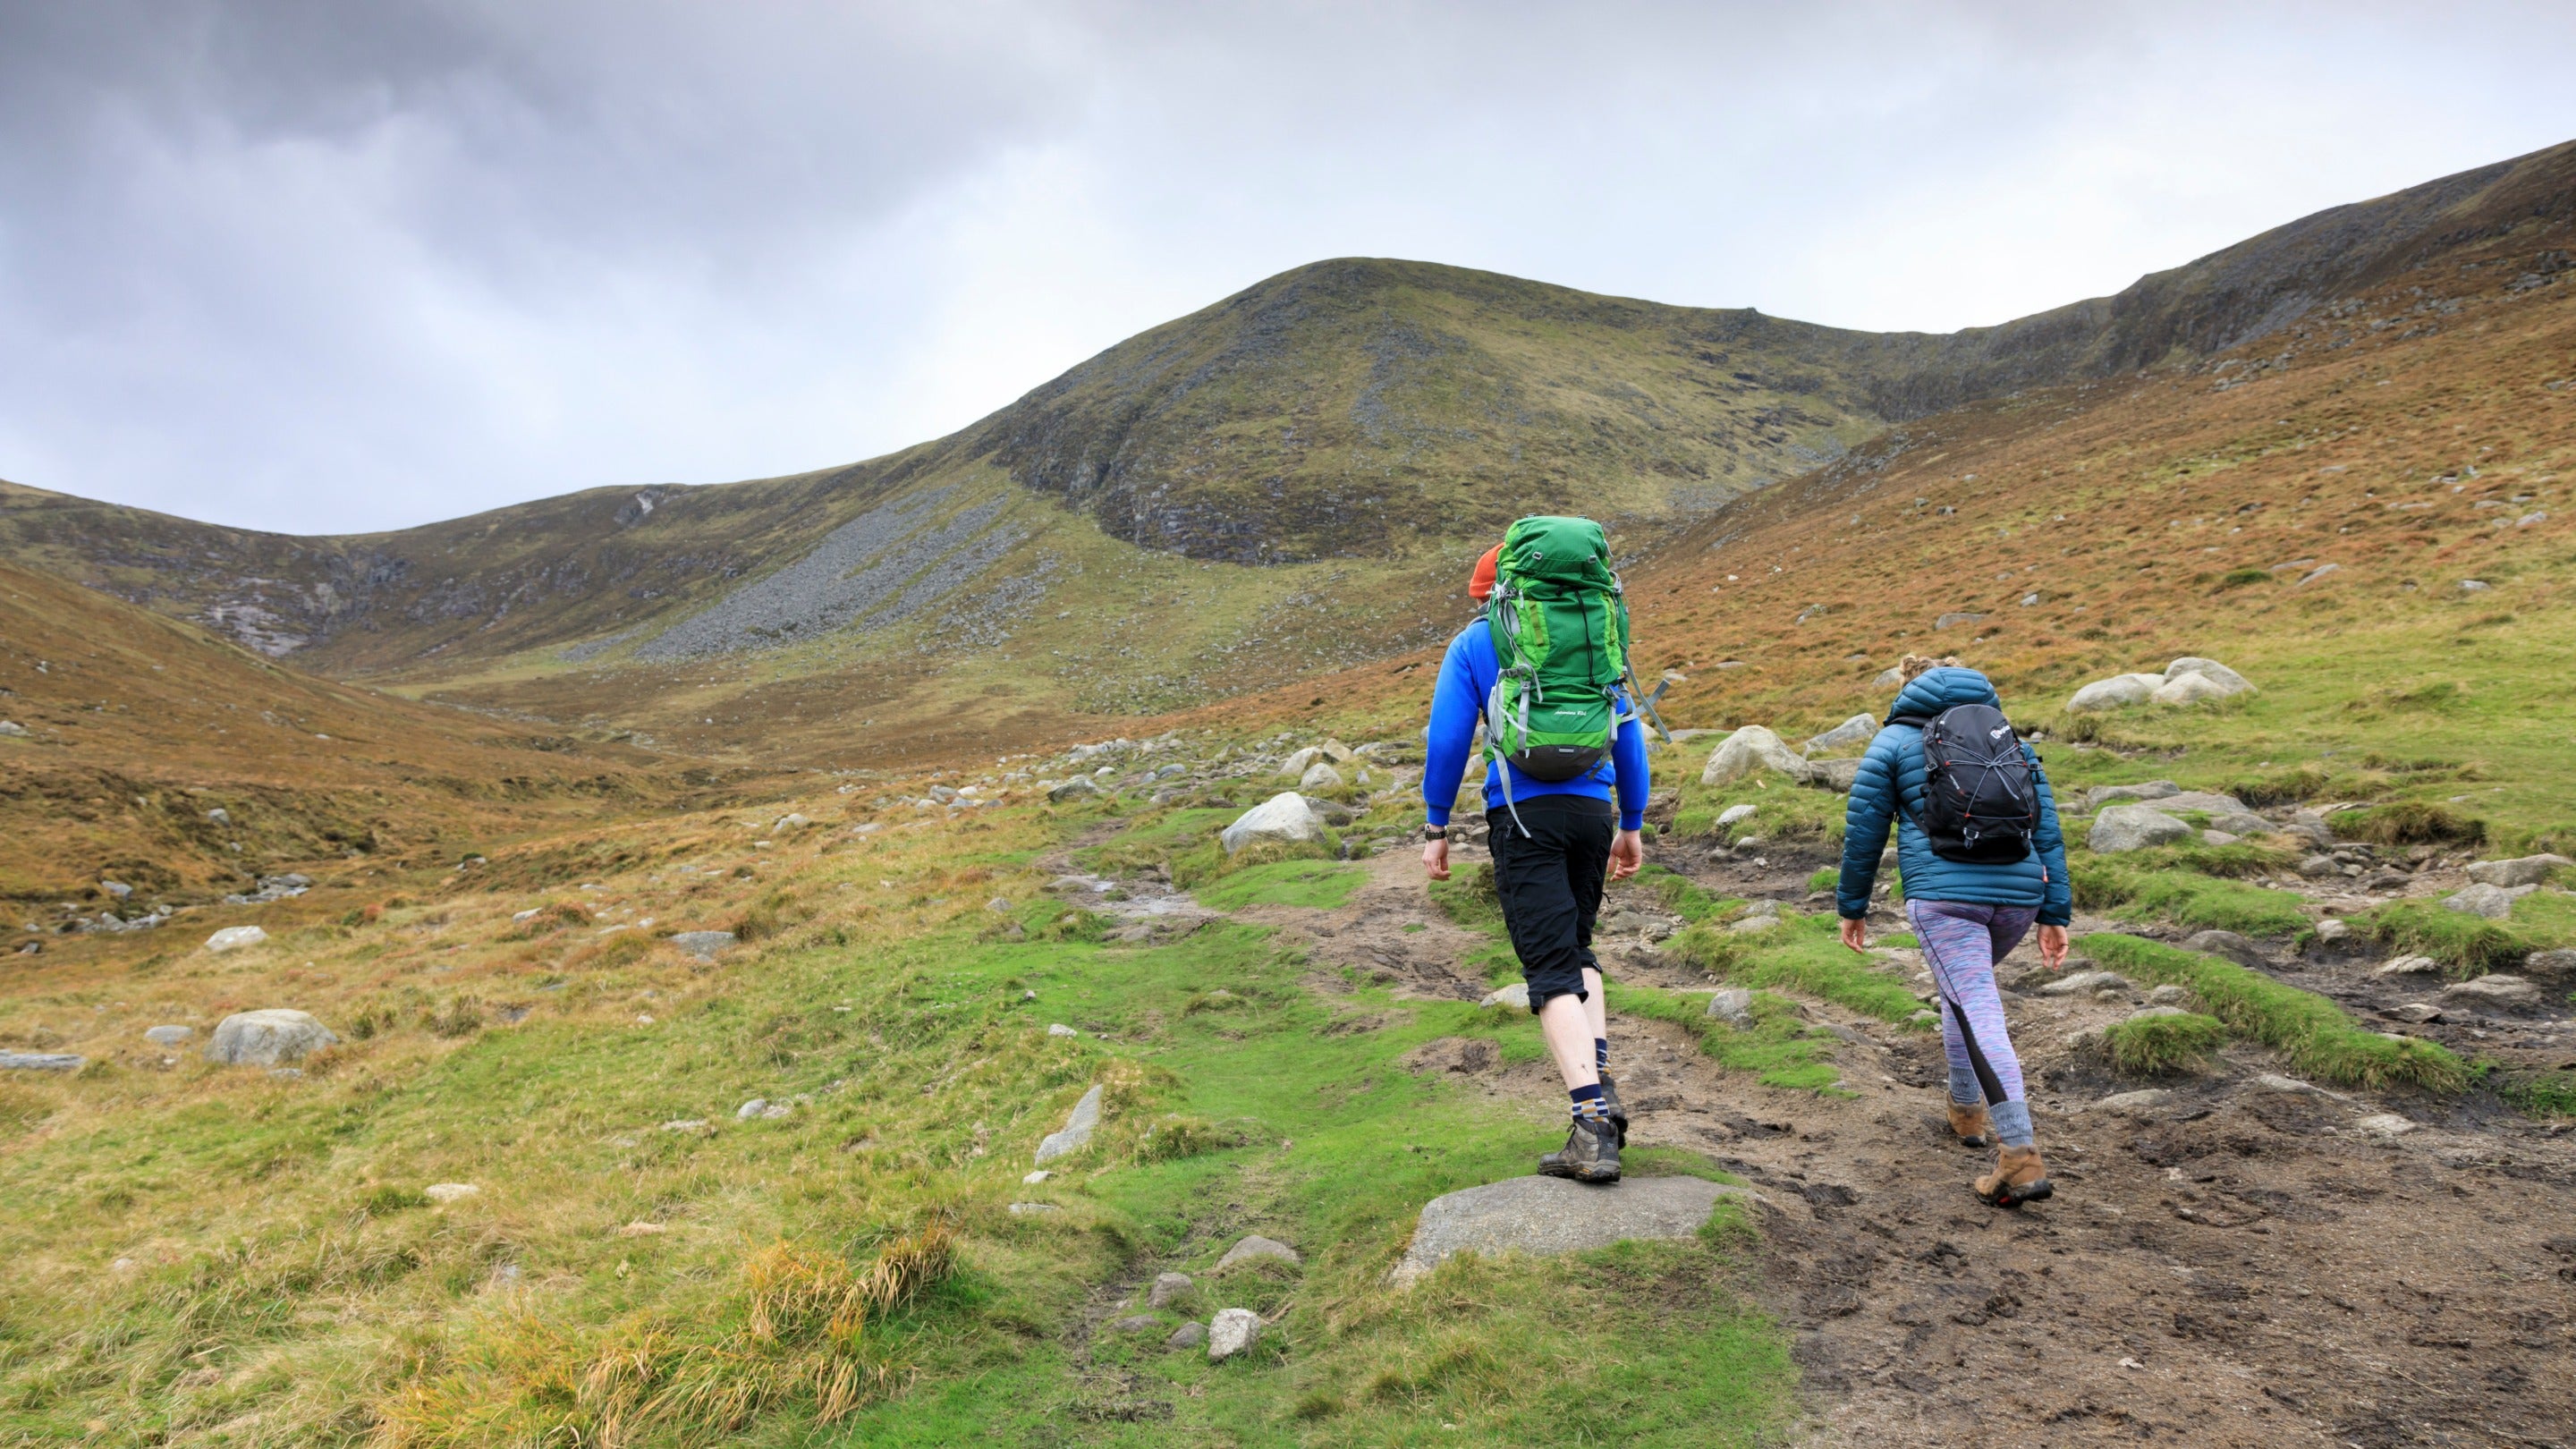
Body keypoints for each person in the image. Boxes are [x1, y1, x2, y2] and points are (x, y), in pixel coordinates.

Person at [1421, 542, 1650, 1183]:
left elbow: (1447, 738)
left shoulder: (1474, 643)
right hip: (1591, 811)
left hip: (1523, 816)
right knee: (1579, 950)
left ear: (1491, 595)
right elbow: (1628, 732)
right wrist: (1630, 824)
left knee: (1549, 973)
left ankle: (1592, 1125)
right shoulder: (1592, 636)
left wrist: (1437, 823)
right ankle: (1601, 1082)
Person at [1835, 654, 2072, 1207]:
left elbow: (1863, 832)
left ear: (1907, 688)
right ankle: (1965, 1110)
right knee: (1962, 996)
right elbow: (2049, 832)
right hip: (2018, 897)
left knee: (1978, 1007)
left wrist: (1853, 905)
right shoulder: (2007, 738)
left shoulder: (1893, 742)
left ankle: (2019, 1154)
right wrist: (2054, 914)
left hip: (1946, 902)